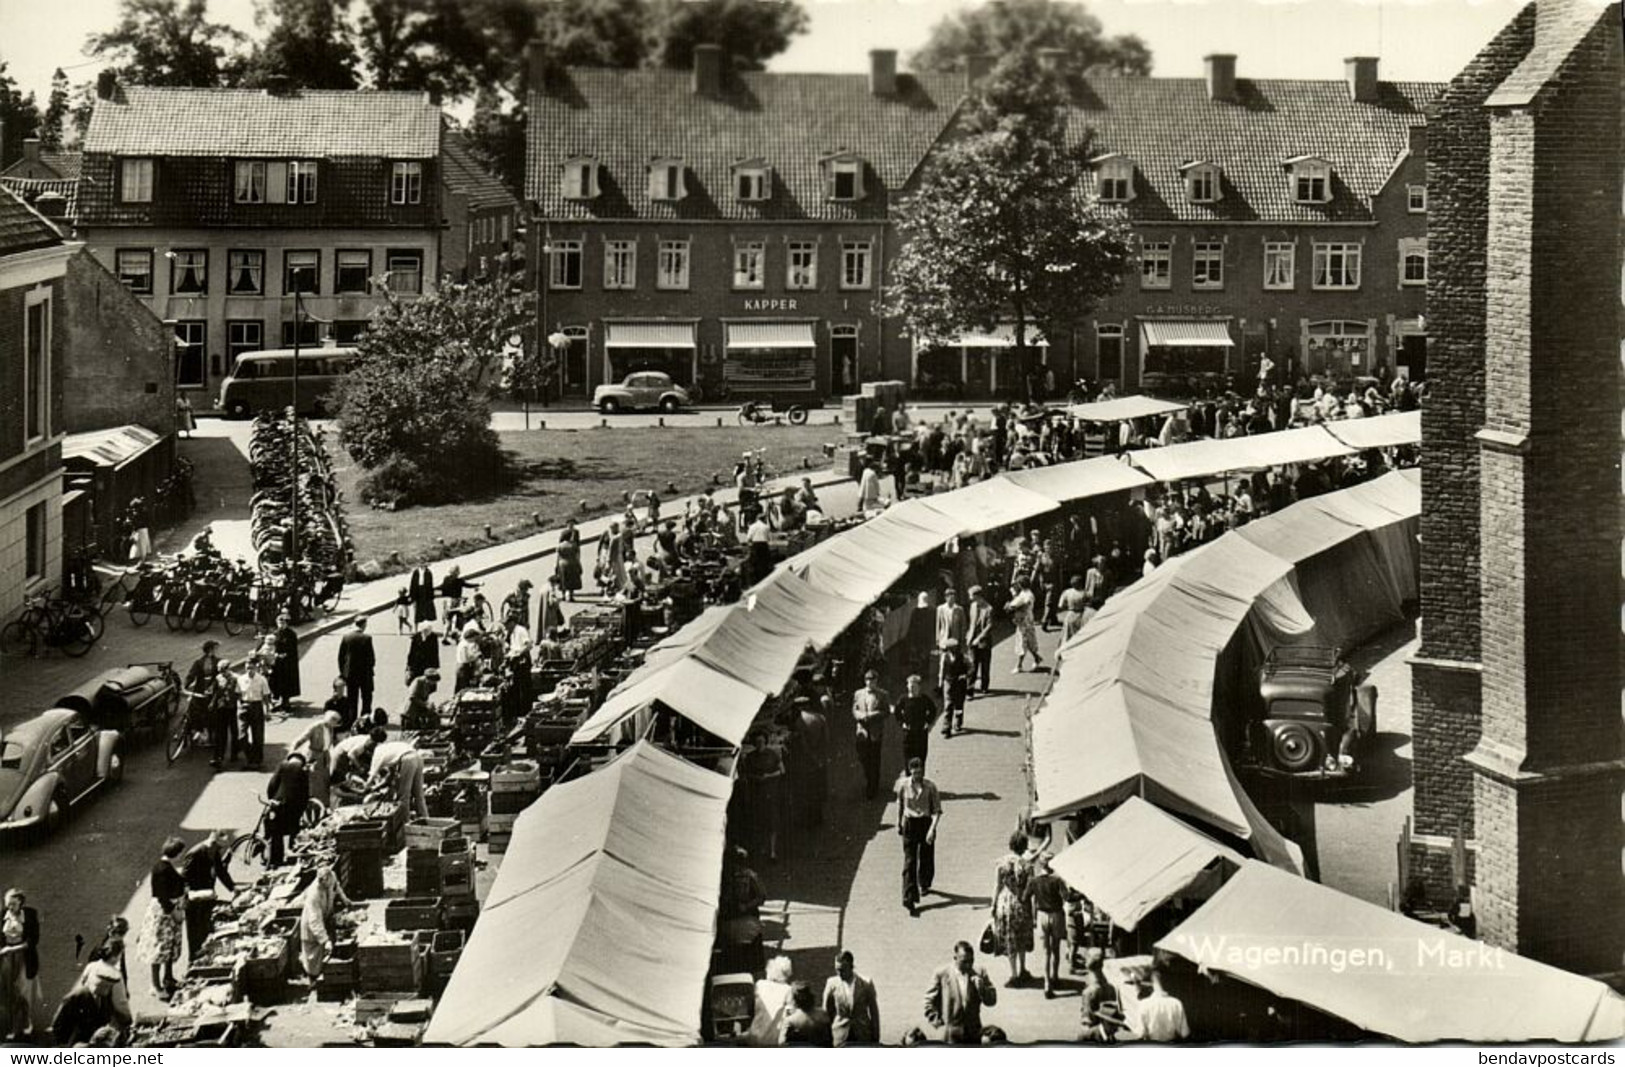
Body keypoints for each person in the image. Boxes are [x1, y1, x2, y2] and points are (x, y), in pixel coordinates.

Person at [51, 942, 130, 1046]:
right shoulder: (75, 997)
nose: (106, 991)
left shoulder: (104, 997)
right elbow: (58, 1027)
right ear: (94, 982)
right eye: (103, 986)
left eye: (108, 987)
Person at [137, 838, 187, 999]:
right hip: (164, 914)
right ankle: (156, 986)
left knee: (170, 947)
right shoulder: (162, 870)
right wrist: (175, 913)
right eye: (181, 852)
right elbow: (162, 897)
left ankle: (168, 978)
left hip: (169, 911)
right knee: (159, 950)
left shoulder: (165, 866)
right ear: (176, 853)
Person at [923, 941, 998, 1045]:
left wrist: (982, 989)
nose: (968, 965)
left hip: (974, 1036)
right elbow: (928, 1002)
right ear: (955, 958)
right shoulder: (941, 974)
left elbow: (992, 1001)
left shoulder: (980, 972)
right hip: (949, 1037)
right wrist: (939, 1025)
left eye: (971, 961)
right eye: (964, 961)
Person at [894, 758, 941, 917]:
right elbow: (900, 804)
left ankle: (925, 883)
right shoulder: (903, 786)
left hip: (925, 824)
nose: (917, 775)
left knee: (926, 856)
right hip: (910, 824)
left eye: (920, 772)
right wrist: (898, 823)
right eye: (914, 773)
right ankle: (909, 897)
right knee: (910, 860)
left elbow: (936, 811)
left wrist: (932, 830)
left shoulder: (931, 787)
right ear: (910, 772)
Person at [179, 831, 235, 960]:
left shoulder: (213, 852)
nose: (221, 851)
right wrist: (192, 894)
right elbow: (184, 878)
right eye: (220, 848)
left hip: (207, 896)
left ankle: (207, 956)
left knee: (207, 928)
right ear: (213, 844)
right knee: (195, 932)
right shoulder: (195, 853)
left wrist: (233, 888)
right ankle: (194, 959)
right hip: (195, 899)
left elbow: (220, 871)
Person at [991, 831, 1035, 986]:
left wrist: (993, 904)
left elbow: (997, 886)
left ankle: (1013, 974)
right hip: (1022, 903)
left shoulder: (1002, 863)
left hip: (1005, 902)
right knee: (1021, 936)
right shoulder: (1028, 865)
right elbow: (1031, 889)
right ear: (1024, 846)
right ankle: (1023, 969)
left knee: (1010, 938)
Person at [0, 890, 42, 1041]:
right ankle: (11, 1025)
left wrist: (11, 949)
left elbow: (33, 941)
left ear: (21, 903)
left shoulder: (30, 916)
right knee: (9, 992)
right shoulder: (2, 915)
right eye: (8, 904)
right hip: (5, 959)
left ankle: (26, 1020)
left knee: (24, 991)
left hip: (23, 957)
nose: (10, 907)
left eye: (14, 904)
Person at [1025, 853, 1068, 998]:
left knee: (1045, 952)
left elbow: (1025, 897)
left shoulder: (1034, 880)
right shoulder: (1057, 880)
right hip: (1056, 915)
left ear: (1040, 864)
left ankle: (1046, 984)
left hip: (1041, 915)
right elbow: (1067, 897)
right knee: (1056, 949)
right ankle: (1055, 977)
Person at [298, 866, 352, 981]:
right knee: (312, 959)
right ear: (320, 881)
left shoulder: (331, 877)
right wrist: (324, 940)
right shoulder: (313, 895)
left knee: (325, 953)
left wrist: (345, 899)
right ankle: (312, 979)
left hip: (325, 916)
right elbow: (314, 921)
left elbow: (336, 887)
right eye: (324, 886)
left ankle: (327, 975)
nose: (327, 887)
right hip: (311, 926)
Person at [720, 849, 767, 977]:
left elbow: (761, 896)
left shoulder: (751, 876)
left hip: (748, 917)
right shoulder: (725, 876)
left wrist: (746, 906)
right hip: (730, 917)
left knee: (752, 950)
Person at [740, 732, 785, 863]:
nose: (760, 745)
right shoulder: (750, 757)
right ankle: (761, 849)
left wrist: (768, 776)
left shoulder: (773, 755)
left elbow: (782, 770)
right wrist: (756, 778)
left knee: (772, 822)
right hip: (756, 794)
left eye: (762, 742)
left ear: (765, 742)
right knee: (759, 821)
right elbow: (746, 773)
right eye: (757, 742)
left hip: (770, 792)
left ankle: (772, 851)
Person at [822, 950, 880, 1047]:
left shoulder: (866, 983)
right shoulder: (831, 984)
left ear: (851, 967)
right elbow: (826, 1013)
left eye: (842, 970)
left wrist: (875, 1038)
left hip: (862, 1035)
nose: (839, 973)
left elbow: (874, 1013)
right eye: (837, 970)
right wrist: (826, 1038)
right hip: (840, 1036)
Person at [264, 752, 310, 868]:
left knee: (276, 832)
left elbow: (272, 785)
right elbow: (305, 793)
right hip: (294, 806)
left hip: (279, 804)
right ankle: (293, 857)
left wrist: (272, 799)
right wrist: (302, 809)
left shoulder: (283, 765)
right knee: (294, 830)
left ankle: (276, 860)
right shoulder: (303, 771)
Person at [368, 736, 429, 819]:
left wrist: (366, 788)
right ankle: (425, 818)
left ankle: (405, 822)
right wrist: (378, 786)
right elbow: (391, 776)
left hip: (407, 759)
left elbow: (372, 776)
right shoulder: (388, 749)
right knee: (419, 794)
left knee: (404, 796)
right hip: (417, 756)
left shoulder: (377, 753)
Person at [792, 697, 830, 829]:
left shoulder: (800, 721)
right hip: (820, 758)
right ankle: (818, 816)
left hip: (806, 761)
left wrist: (812, 757)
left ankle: (809, 819)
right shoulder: (820, 717)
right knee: (818, 788)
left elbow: (804, 745)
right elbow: (826, 739)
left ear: (800, 707)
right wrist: (821, 757)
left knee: (807, 790)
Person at [851, 670, 889, 800]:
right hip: (862, 731)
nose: (869, 682)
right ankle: (869, 778)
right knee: (863, 758)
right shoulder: (858, 693)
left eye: (872, 680)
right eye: (867, 680)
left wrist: (874, 715)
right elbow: (854, 709)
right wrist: (859, 715)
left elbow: (886, 712)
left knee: (874, 759)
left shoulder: (883, 695)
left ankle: (873, 786)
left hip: (875, 732)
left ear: (876, 681)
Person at [1137, 958, 1191, 1041]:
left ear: (1151, 981)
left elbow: (1140, 1034)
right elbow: (1185, 1033)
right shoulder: (1176, 1003)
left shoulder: (1143, 1005)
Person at [336, 616, 375, 731]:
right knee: (366, 697)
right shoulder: (367, 638)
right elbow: (371, 658)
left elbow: (341, 657)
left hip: (350, 674)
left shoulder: (346, 637)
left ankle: (352, 720)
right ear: (363, 625)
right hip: (364, 674)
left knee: (352, 698)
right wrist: (370, 668)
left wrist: (343, 672)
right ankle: (365, 720)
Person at [746, 956, 794, 1047]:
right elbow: (790, 1015)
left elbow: (750, 1008)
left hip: (754, 1035)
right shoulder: (788, 990)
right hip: (773, 1038)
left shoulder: (760, 985)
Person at [895, 674, 936, 772]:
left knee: (921, 756)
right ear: (907, 686)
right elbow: (897, 712)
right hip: (908, 733)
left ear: (919, 687)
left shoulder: (924, 699)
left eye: (914, 686)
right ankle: (909, 779)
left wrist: (928, 722)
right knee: (908, 756)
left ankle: (920, 779)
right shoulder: (903, 699)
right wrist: (902, 723)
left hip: (921, 732)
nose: (911, 688)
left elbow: (933, 709)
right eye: (910, 685)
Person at [1079, 950, 1123, 1043]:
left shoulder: (1089, 992)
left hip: (1095, 1036)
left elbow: (1087, 1023)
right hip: (1108, 1033)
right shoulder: (1111, 987)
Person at [237, 657, 272, 770]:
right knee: (241, 736)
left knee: (258, 736)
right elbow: (238, 694)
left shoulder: (261, 680)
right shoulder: (241, 679)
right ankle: (250, 757)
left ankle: (257, 761)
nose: (249, 671)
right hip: (244, 707)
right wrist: (239, 706)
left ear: (256, 667)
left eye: (251, 668)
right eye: (247, 668)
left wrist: (268, 711)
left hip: (257, 706)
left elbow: (266, 696)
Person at [1004, 579, 1043, 673]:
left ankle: (1019, 665)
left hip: (1024, 621)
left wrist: (1010, 605)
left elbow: (1015, 604)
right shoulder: (1025, 593)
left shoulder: (1026, 595)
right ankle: (1037, 658)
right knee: (1028, 641)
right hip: (1025, 619)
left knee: (1022, 642)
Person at [782, 982, 833, 1046]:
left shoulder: (790, 1020)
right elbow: (829, 1041)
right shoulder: (823, 1015)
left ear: (794, 999)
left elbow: (782, 1042)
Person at [965, 586, 994, 697]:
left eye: (971, 595)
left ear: (977, 596)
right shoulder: (972, 606)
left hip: (984, 641)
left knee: (985, 665)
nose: (969, 597)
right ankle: (970, 689)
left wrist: (979, 638)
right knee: (972, 665)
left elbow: (989, 626)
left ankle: (984, 687)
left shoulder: (989, 609)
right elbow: (972, 623)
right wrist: (969, 636)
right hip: (972, 640)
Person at [268, 613, 300, 711]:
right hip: (277, 662)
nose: (281, 624)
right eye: (279, 622)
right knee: (275, 681)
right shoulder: (274, 633)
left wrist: (286, 654)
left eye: (283, 622)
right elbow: (269, 644)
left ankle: (286, 700)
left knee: (287, 681)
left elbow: (292, 648)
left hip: (287, 663)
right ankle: (275, 699)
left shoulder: (291, 634)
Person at [939, 639, 968, 737]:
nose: (950, 651)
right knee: (948, 704)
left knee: (959, 704)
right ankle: (946, 727)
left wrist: (965, 675)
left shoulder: (963, 657)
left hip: (960, 683)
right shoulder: (945, 657)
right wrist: (940, 682)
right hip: (949, 682)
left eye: (952, 648)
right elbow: (942, 670)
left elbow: (971, 666)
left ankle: (958, 722)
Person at [1058, 574, 1091, 641]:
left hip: (1070, 614)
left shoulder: (1067, 592)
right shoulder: (1085, 593)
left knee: (1066, 636)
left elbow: (1060, 606)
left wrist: (1067, 606)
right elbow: (1089, 603)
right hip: (1081, 616)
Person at [556, 522, 583, 601]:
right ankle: (570, 596)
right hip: (572, 563)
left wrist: (557, 565)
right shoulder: (573, 545)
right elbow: (577, 556)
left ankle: (563, 595)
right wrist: (579, 564)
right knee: (572, 579)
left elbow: (558, 556)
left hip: (562, 563)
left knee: (563, 579)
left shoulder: (559, 546)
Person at [408, 563, 437, 628]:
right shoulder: (416, 572)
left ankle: (425, 627)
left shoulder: (428, 572)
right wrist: (411, 595)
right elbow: (412, 584)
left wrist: (431, 596)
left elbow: (430, 585)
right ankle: (416, 629)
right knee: (417, 611)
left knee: (426, 612)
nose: (423, 565)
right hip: (417, 592)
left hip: (425, 593)